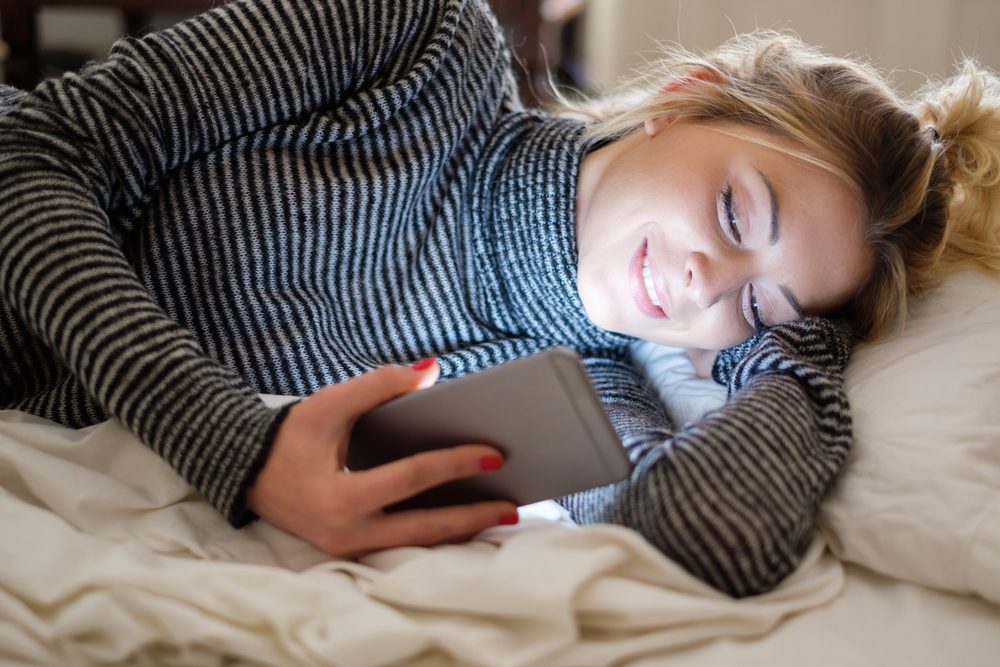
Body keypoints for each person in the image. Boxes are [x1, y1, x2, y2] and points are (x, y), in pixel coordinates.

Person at [0, 0, 997, 597]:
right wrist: (237, 448)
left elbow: (712, 536)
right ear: (682, 100)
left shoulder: (576, 400)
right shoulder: (419, 42)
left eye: (756, 305)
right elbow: (29, 150)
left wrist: (793, 351)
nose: (705, 283)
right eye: (736, 213)